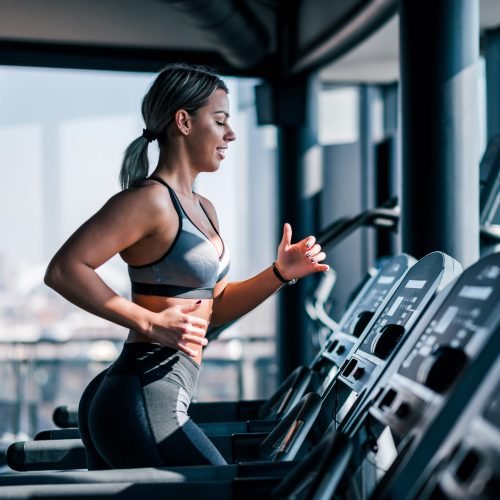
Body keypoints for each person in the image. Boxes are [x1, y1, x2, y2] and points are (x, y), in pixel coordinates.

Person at [44, 63, 329, 469]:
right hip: (144, 393)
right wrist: (148, 322)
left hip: (152, 392)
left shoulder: (204, 209)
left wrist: (279, 273)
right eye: (220, 120)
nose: (230, 134)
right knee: (221, 488)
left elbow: (215, 309)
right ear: (183, 121)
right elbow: (64, 269)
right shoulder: (148, 201)